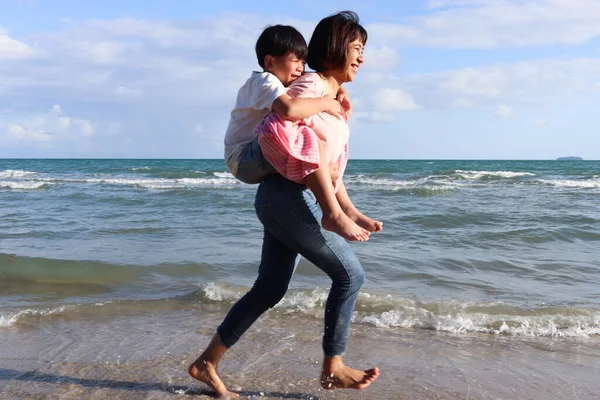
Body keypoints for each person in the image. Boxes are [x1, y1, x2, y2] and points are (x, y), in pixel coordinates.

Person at [189, 11, 382, 398]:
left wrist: (350, 208)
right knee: (350, 276)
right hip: (283, 196)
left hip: (280, 197)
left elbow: (326, 163)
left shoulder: (325, 93)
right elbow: (284, 127)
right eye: (357, 49)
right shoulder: (308, 85)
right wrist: (334, 212)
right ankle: (334, 367)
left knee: (270, 289)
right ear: (336, 48)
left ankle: (206, 362)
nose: (362, 59)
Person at [224, 24, 370, 242]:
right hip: (245, 158)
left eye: (303, 61)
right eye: (295, 61)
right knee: (311, 141)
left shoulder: (282, 82)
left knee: (318, 153)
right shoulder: (264, 81)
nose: (301, 68)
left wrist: (340, 89)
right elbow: (290, 109)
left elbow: (319, 80)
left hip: (257, 157)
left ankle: (347, 208)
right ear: (270, 62)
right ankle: (332, 213)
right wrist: (325, 102)